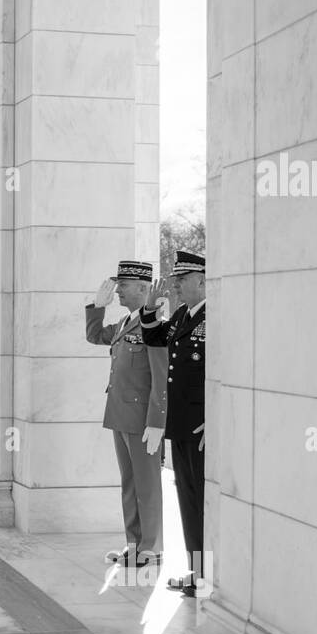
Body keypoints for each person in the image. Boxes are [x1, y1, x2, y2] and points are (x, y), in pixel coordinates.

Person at [85, 260, 167, 568]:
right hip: (120, 414)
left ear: (144, 289)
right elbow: (94, 336)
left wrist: (157, 421)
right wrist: (97, 306)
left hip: (143, 419)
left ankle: (152, 546)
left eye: (125, 285)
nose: (118, 289)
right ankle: (133, 543)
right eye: (118, 284)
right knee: (130, 482)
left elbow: (160, 376)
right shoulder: (123, 324)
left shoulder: (154, 324)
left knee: (148, 483)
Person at [142, 251, 207, 597]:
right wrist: (151, 310)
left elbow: (226, 374)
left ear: (201, 280)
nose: (177, 288)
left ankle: (209, 575)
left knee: (202, 504)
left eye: (181, 282)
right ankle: (198, 573)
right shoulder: (183, 315)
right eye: (176, 282)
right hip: (180, 426)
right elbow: (154, 338)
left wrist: (215, 419)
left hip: (201, 430)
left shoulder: (214, 317)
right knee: (187, 500)